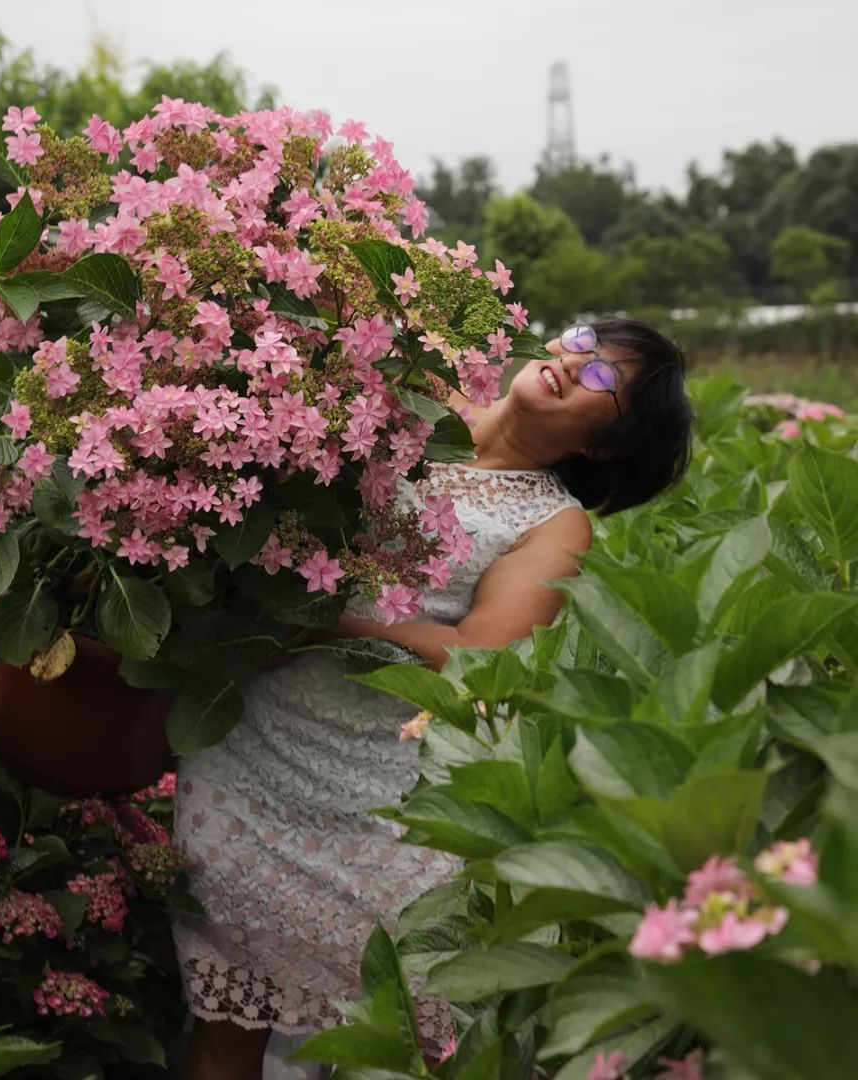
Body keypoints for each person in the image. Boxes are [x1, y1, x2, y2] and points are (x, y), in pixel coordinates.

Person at [171, 317, 694, 1079]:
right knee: (224, 1022)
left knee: (404, 1043)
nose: (575, 364)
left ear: (606, 447)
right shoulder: (422, 391)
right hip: (248, 760)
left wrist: (323, 618)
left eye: (607, 380)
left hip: (382, 806)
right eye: (582, 341)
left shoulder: (555, 524)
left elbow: (481, 654)